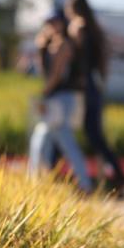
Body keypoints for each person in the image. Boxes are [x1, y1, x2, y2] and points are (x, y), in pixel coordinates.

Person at [66, 0, 124, 191]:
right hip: (94, 85)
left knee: (65, 132)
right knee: (96, 136)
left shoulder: (78, 26)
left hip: (81, 88)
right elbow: (102, 61)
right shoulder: (94, 27)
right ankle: (118, 178)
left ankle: (78, 180)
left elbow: (77, 59)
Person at [28, 13, 93, 192]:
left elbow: (56, 75)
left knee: (55, 140)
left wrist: (44, 92)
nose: (50, 28)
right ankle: (39, 181)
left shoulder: (65, 45)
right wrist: (40, 49)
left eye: (53, 24)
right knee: (45, 140)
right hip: (55, 98)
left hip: (61, 99)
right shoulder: (51, 45)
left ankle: (83, 184)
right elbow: (45, 73)